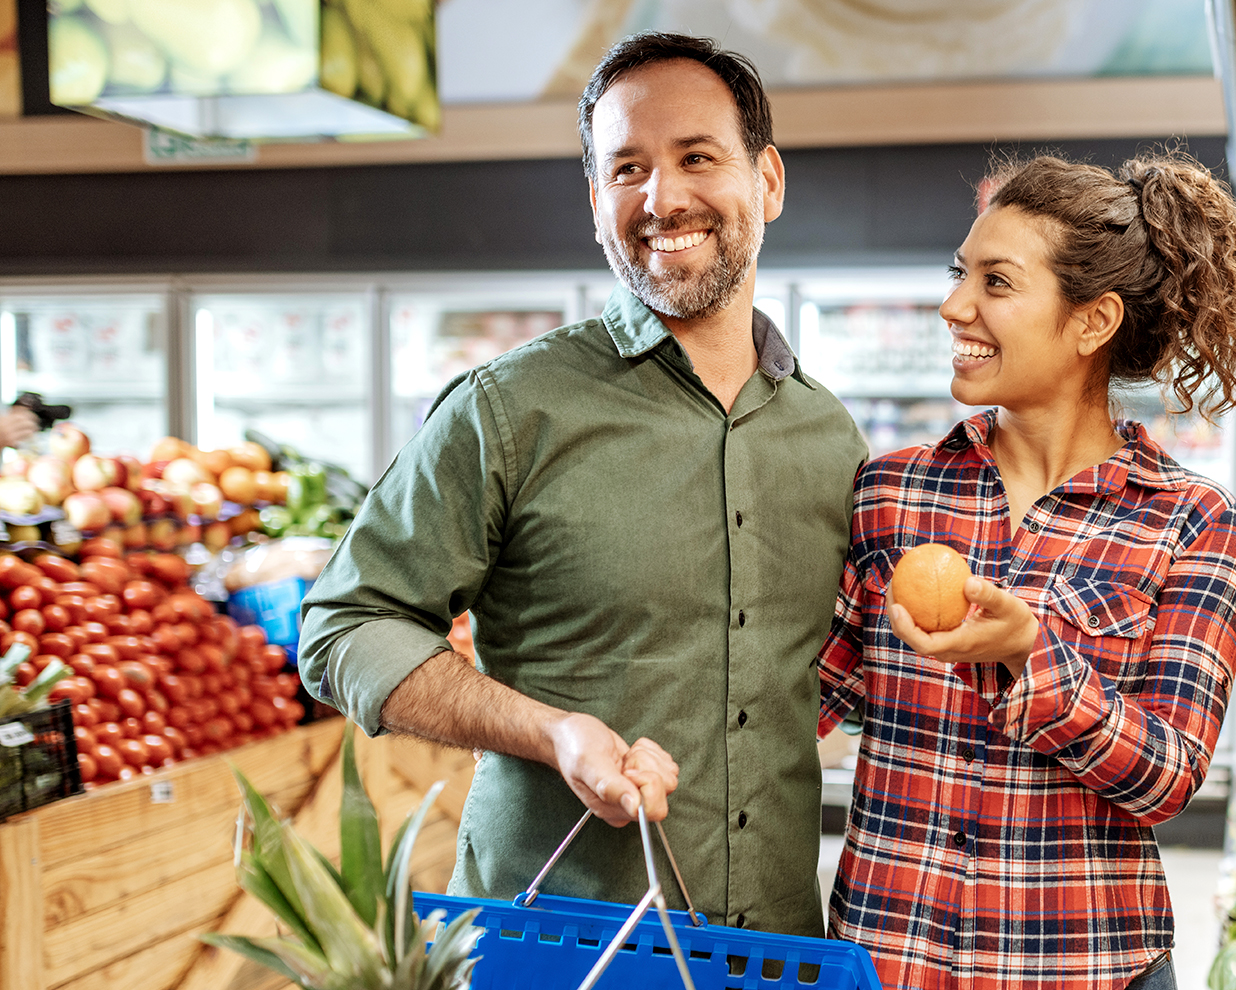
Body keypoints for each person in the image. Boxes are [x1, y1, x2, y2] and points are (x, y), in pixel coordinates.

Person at [299, 32, 867, 935]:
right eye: (627, 168)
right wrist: (549, 732)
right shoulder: (510, 409)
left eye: (696, 158)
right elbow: (344, 627)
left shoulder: (828, 438)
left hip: (773, 956)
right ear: (597, 200)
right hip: (554, 951)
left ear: (768, 182)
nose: (662, 197)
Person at [816, 152, 1236, 990]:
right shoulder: (889, 493)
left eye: (995, 282)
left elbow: (1169, 777)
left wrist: (1034, 655)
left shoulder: (1193, 523)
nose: (954, 307)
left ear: (1092, 321)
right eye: (958, 275)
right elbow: (809, 696)